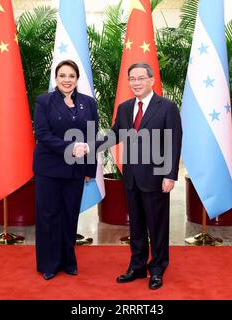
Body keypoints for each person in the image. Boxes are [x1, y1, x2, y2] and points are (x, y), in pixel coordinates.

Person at [92, 62, 182, 290]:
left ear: (152, 80)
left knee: (157, 226)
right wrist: (90, 147)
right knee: (137, 225)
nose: (136, 83)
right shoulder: (124, 108)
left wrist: (170, 175)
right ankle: (137, 265)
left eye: (141, 78)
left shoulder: (167, 107)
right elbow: (114, 136)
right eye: (132, 79)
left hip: (156, 178)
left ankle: (158, 268)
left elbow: (173, 143)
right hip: (131, 176)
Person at [33, 59, 98, 280]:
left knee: (70, 215)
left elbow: (92, 136)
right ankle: (49, 264)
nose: (67, 80)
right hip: (49, 169)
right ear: (56, 78)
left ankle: (68, 261)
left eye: (71, 76)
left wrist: (90, 167)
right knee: (49, 216)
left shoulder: (89, 103)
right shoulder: (44, 102)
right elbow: (42, 134)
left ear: (77, 78)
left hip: (76, 170)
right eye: (62, 76)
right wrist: (70, 148)